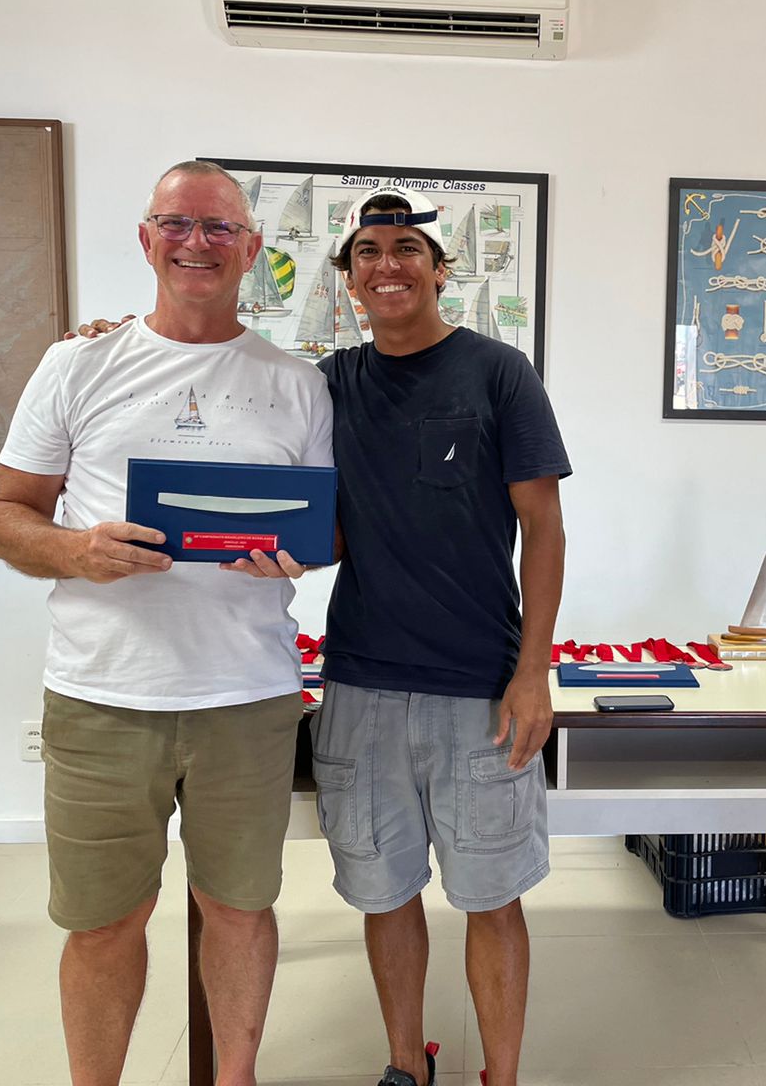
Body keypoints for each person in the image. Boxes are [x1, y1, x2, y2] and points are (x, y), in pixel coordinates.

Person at [0, 161, 335, 1086]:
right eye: (176, 223)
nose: (196, 243)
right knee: (103, 923)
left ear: (252, 248)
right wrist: (75, 551)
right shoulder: (77, 363)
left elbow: (327, 527)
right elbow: (4, 514)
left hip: (247, 698)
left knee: (240, 910)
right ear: (146, 240)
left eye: (220, 228)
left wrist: (301, 554)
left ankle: (235, 1078)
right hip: (101, 696)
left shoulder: (299, 384)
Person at [308, 186, 568, 1086]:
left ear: (438, 268)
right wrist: (111, 341)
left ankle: (503, 1075)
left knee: (491, 898)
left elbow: (545, 529)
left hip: (479, 691)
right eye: (368, 252)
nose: (388, 265)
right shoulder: (328, 384)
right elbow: (313, 521)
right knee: (384, 895)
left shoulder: (499, 373)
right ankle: (403, 1066)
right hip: (361, 686)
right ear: (349, 279)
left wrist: (532, 674)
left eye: (407, 249)